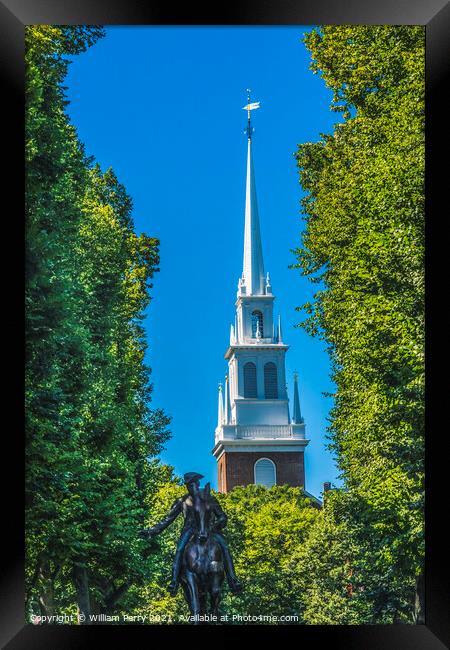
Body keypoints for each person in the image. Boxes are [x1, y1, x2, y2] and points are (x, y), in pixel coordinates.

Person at [140, 472, 242, 596]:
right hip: (190, 531)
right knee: (180, 549)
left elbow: (222, 516)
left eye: (193, 484)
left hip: (209, 530)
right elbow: (168, 520)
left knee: (224, 548)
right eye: (188, 485)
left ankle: (233, 580)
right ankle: (174, 582)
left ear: (198, 484)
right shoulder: (182, 501)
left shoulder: (209, 499)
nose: (191, 487)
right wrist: (151, 531)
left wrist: (217, 525)